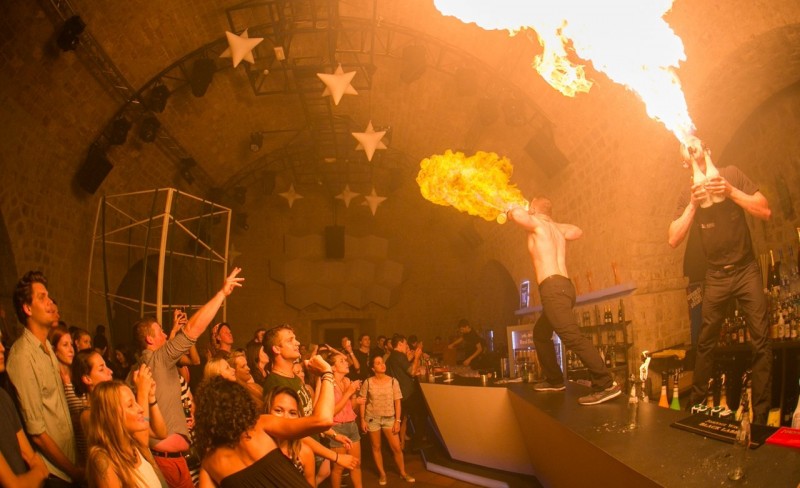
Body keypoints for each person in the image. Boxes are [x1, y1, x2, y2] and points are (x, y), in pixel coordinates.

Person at [668, 139, 772, 423]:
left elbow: (765, 210)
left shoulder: (731, 173)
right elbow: (673, 239)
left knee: (761, 341)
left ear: (706, 148)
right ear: (684, 162)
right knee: (705, 343)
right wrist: (692, 204)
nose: (689, 143)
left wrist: (730, 191)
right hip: (715, 275)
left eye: (693, 139)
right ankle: (696, 408)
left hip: (746, 269)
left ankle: (760, 418)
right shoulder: (686, 194)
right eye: (684, 144)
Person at [133, 267, 243, 488]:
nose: (166, 334)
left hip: (176, 460)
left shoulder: (148, 367)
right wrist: (222, 293)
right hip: (165, 461)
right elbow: (193, 329)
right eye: (161, 332)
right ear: (149, 340)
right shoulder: (157, 360)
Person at [508, 198, 620, 405]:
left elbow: (516, 215)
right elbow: (577, 231)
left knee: (573, 338)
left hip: (553, 289)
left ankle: (606, 384)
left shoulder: (537, 224)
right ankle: (555, 380)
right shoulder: (554, 228)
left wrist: (511, 209)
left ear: (533, 209)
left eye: (530, 206)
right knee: (540, 334)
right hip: (565, 288)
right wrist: (549, 221)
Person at [194, 354, 335, 488]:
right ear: (241, 402)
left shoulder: (209, 464)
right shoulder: (260, 425)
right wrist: (327, 373)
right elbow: (323, 420)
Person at [7, 270, 83, 485]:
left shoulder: (48, 347)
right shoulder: (23, 357)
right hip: (54, 474)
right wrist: (74, 471)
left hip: (68, 467)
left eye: (48, 296)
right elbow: (37, 433)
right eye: (42, 297)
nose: (50, 302)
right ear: (27, 308)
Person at [85, 380, 167, 488]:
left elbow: (162, 433)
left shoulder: (136, 444)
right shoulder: (103, 460)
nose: (141, 409)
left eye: (136, 402)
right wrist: (142, 392)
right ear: (111, 415)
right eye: (130, 405)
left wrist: (151, 398)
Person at [0, 329, 50, 487]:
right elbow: (13, 485)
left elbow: (30, 456)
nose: (2, 348)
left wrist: (37, 472)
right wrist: (38, 473)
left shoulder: (3, 397)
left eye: (1, 341)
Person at [359, 355, 414, 485]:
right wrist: (362, 419)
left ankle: (403, 472)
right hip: (372, 418)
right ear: (373, 368)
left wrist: (398, 421)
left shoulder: (393, 381)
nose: (382, 364)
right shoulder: (368, 382)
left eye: (382, 362)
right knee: (376, 447)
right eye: (378, 363)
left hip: (389, 418)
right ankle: (382, 474)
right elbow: (362, 401)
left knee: (396, 448)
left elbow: (397, 402)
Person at [324, 350, 363, 488]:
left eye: (345, 360)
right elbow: (331, 412)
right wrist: (349, 392)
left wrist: (356, 399)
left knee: (356, 464)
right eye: (341, 361)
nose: (346, 363)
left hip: (352, 425)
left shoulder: (347, 381)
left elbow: (351, 408)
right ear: (333, 367)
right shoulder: (328, 384)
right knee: (339, 468)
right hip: (337, 428)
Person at [264, 386, 316, 486]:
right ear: (267, 411)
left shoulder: (304, 453)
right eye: (278, 411)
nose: (285, 418)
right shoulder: (256, 450)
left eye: (292, 413)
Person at [384, 334, 427, 449]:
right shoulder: (399, 356)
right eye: (405, 343)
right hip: (407, 393)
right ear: (400, 344)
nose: (406, 345)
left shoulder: (392, 357)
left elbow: (403, 366)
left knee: (402, 419)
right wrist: (417, 357)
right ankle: (417, 443)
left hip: (399, 394)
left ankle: (399, 445)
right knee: (422, 413)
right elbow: (412, 372)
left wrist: (411, 357)